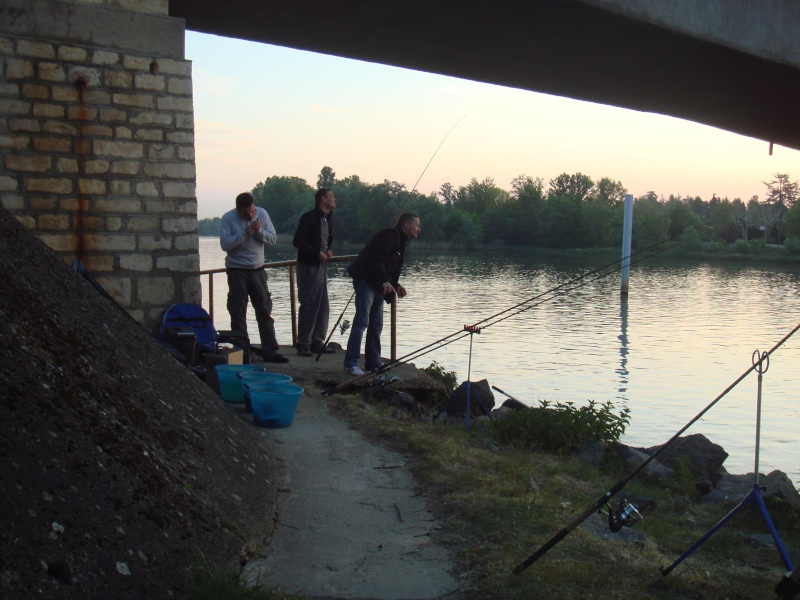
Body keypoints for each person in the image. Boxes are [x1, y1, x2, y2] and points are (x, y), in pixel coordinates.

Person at [343, 212, 421, 376]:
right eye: (417, 225)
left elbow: (392, 267)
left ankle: (373, 363)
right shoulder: (390, 235)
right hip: (366, 281)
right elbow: (376, 257)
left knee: (376, 324)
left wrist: (395, 284)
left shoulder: (401, 242)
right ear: (406, 225)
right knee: (362, 321)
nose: (418, 229)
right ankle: (351, 363)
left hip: (378, 284)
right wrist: (384, 281)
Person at [219, 192, 288, 363]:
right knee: (238, 312)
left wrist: (259, 232)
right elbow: (225, 245)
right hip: (236, 271)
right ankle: (241, 352)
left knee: (264, 310)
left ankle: (270, 351)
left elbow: (272, 239)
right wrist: (244, 233)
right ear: (238, 210)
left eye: (252, 211)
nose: (250, 215)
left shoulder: (262, 213)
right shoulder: (228, 218)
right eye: (246, 213)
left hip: (258, 270)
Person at [293, 188, 337, 356]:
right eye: (332, 196)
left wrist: (329, 251)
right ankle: (303, 343)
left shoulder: (328, 218)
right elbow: (298, 241)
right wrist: (316, 253)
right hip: (309, 266)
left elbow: (326, 241)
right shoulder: (309, 217)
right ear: (322, 199)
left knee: (323, 305)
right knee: (310, 304)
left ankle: (317, 342)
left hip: (321, 266)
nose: (335, 199)